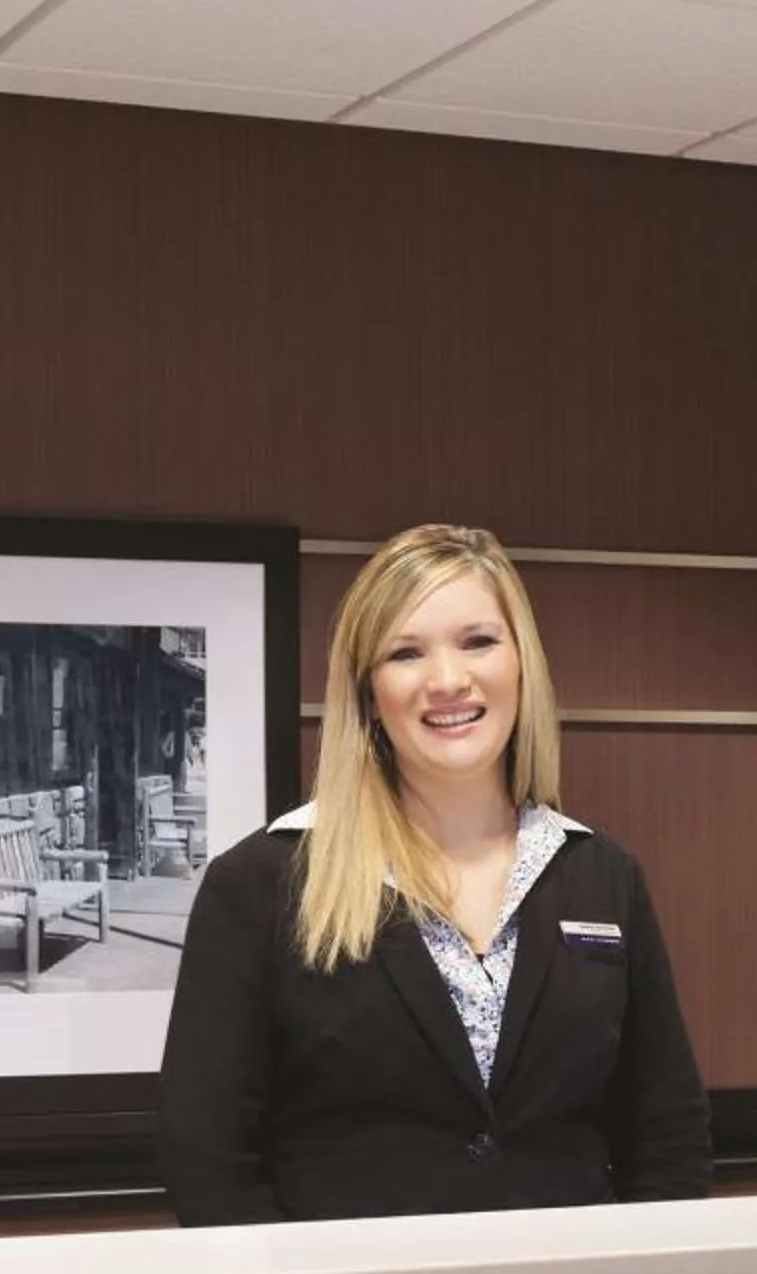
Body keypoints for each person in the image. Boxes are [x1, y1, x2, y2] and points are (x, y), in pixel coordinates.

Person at [157, 524, 708, 1224]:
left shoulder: (602, 876)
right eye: (405, 652)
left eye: (478, 641)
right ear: (368, 692)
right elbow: (207, 1157)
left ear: (522, 663)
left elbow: (668, 1131)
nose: (448, 680)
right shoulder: (261, 884)